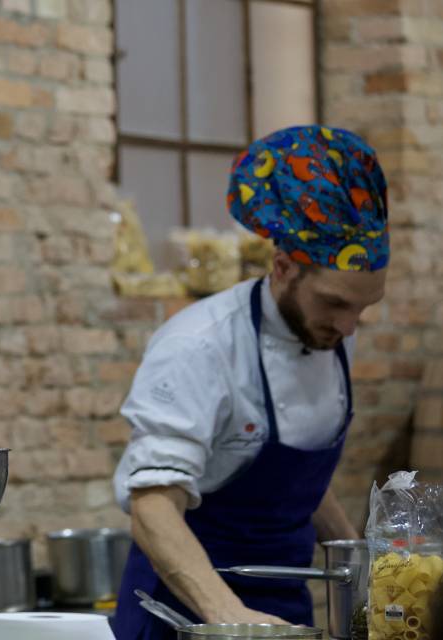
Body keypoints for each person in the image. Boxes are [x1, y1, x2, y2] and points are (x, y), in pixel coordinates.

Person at [111, 125, 389, 640]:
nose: (349, 326)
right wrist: (228, 619)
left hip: (283, 610)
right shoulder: (199, 345)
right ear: (283, 267)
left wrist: (362, 565)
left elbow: (291, 476)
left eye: (363, 308)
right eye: (335, 303)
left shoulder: (331, 334)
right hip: (187, 615)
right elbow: (152, 505)